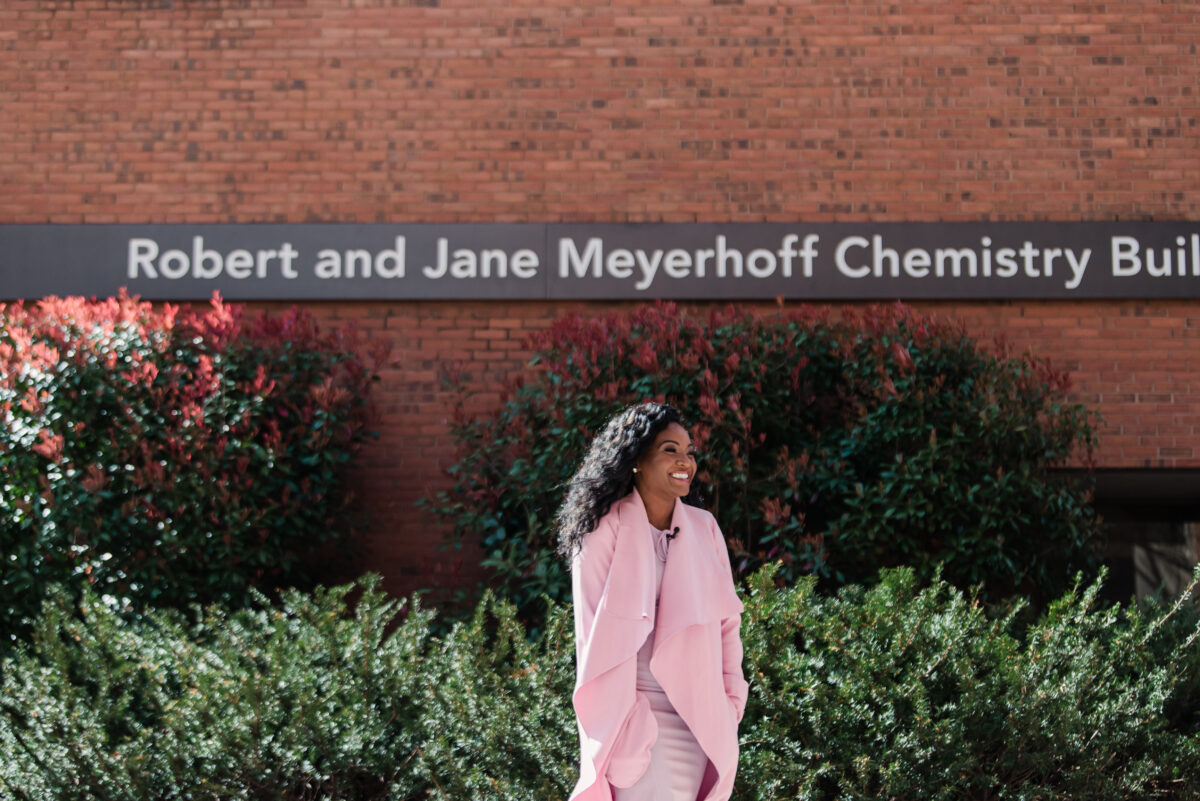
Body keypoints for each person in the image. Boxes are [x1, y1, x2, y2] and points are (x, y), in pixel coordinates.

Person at [558, 401, 748, 801]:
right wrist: (627, 726)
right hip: (638, 727)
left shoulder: (705, 529)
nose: (685, 461)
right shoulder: (601, 529)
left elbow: (727, 626)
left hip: (701, 724)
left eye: (689, 451)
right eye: (670, 450)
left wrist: (731, 704)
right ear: (636, 460)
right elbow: (588, 634)